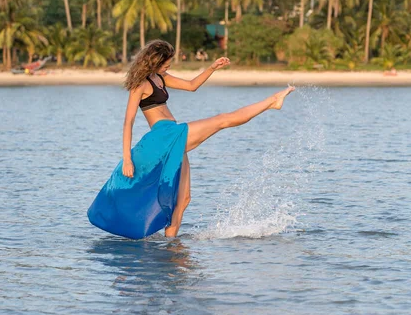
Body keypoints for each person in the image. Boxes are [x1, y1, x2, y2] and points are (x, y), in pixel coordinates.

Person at [87, 40, 294, 239]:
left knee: (184, 200)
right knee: (222, 120)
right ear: (155, 61)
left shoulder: (161, 77)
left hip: (172, 134)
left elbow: (192, 85)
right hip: (162, 137)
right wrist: (127, 159)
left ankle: (170, 244)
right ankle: (272, 101)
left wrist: (212, 68)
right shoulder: (140, 85)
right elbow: (128, 122)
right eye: (166, 62)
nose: (169, 65)